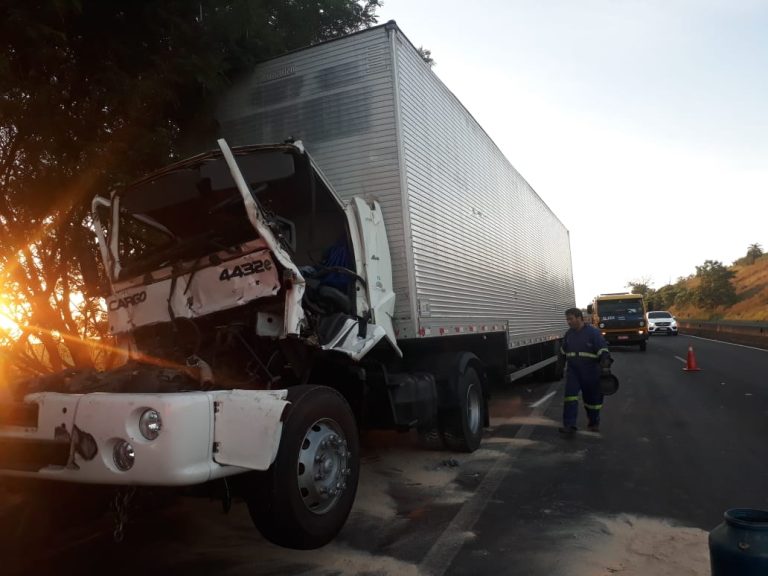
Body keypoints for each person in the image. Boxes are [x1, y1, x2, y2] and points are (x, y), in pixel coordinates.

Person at [559, 307, 613, 435]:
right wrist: (560, 366)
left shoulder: (593, 333)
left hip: (591, 372)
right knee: (570, 397)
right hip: (573, 372)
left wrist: (605, 367)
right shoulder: (569, 334)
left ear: (579, 318)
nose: (568, 322)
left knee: (592, 401)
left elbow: (603, 351)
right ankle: (569, 425)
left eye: (571, 319)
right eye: (567, 319)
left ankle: (594, 422)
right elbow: (562, 352)